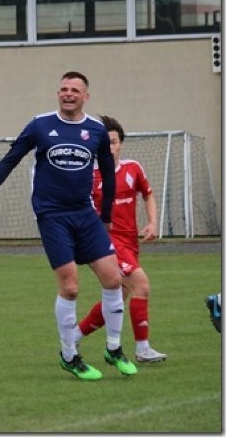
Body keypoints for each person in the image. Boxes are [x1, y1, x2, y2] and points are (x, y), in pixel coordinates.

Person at [0, 71, 137, 381]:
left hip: (85, 214)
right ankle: (70, 355)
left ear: (86, 96)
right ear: (58, 94)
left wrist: (105, 217)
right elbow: (9, 160)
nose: (68, 94)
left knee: (114, 280)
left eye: (75, 90)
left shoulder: (95, 130)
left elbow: (108, 177)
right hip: (52, 215)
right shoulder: (40, 125)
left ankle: (114, 349)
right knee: (70, 287)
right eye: (63, 89)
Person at [72, 115, 167, 363]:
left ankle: (73, 336)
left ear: (120, 144)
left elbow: (148, 194)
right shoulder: (89, 176)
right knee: (142, 286)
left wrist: (153, 222)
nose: (109, 147)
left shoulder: (133, 168)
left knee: (118, 297)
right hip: (108, 243)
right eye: (105, 143)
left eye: (113, 142)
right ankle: (142, 349)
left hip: (130, 242)